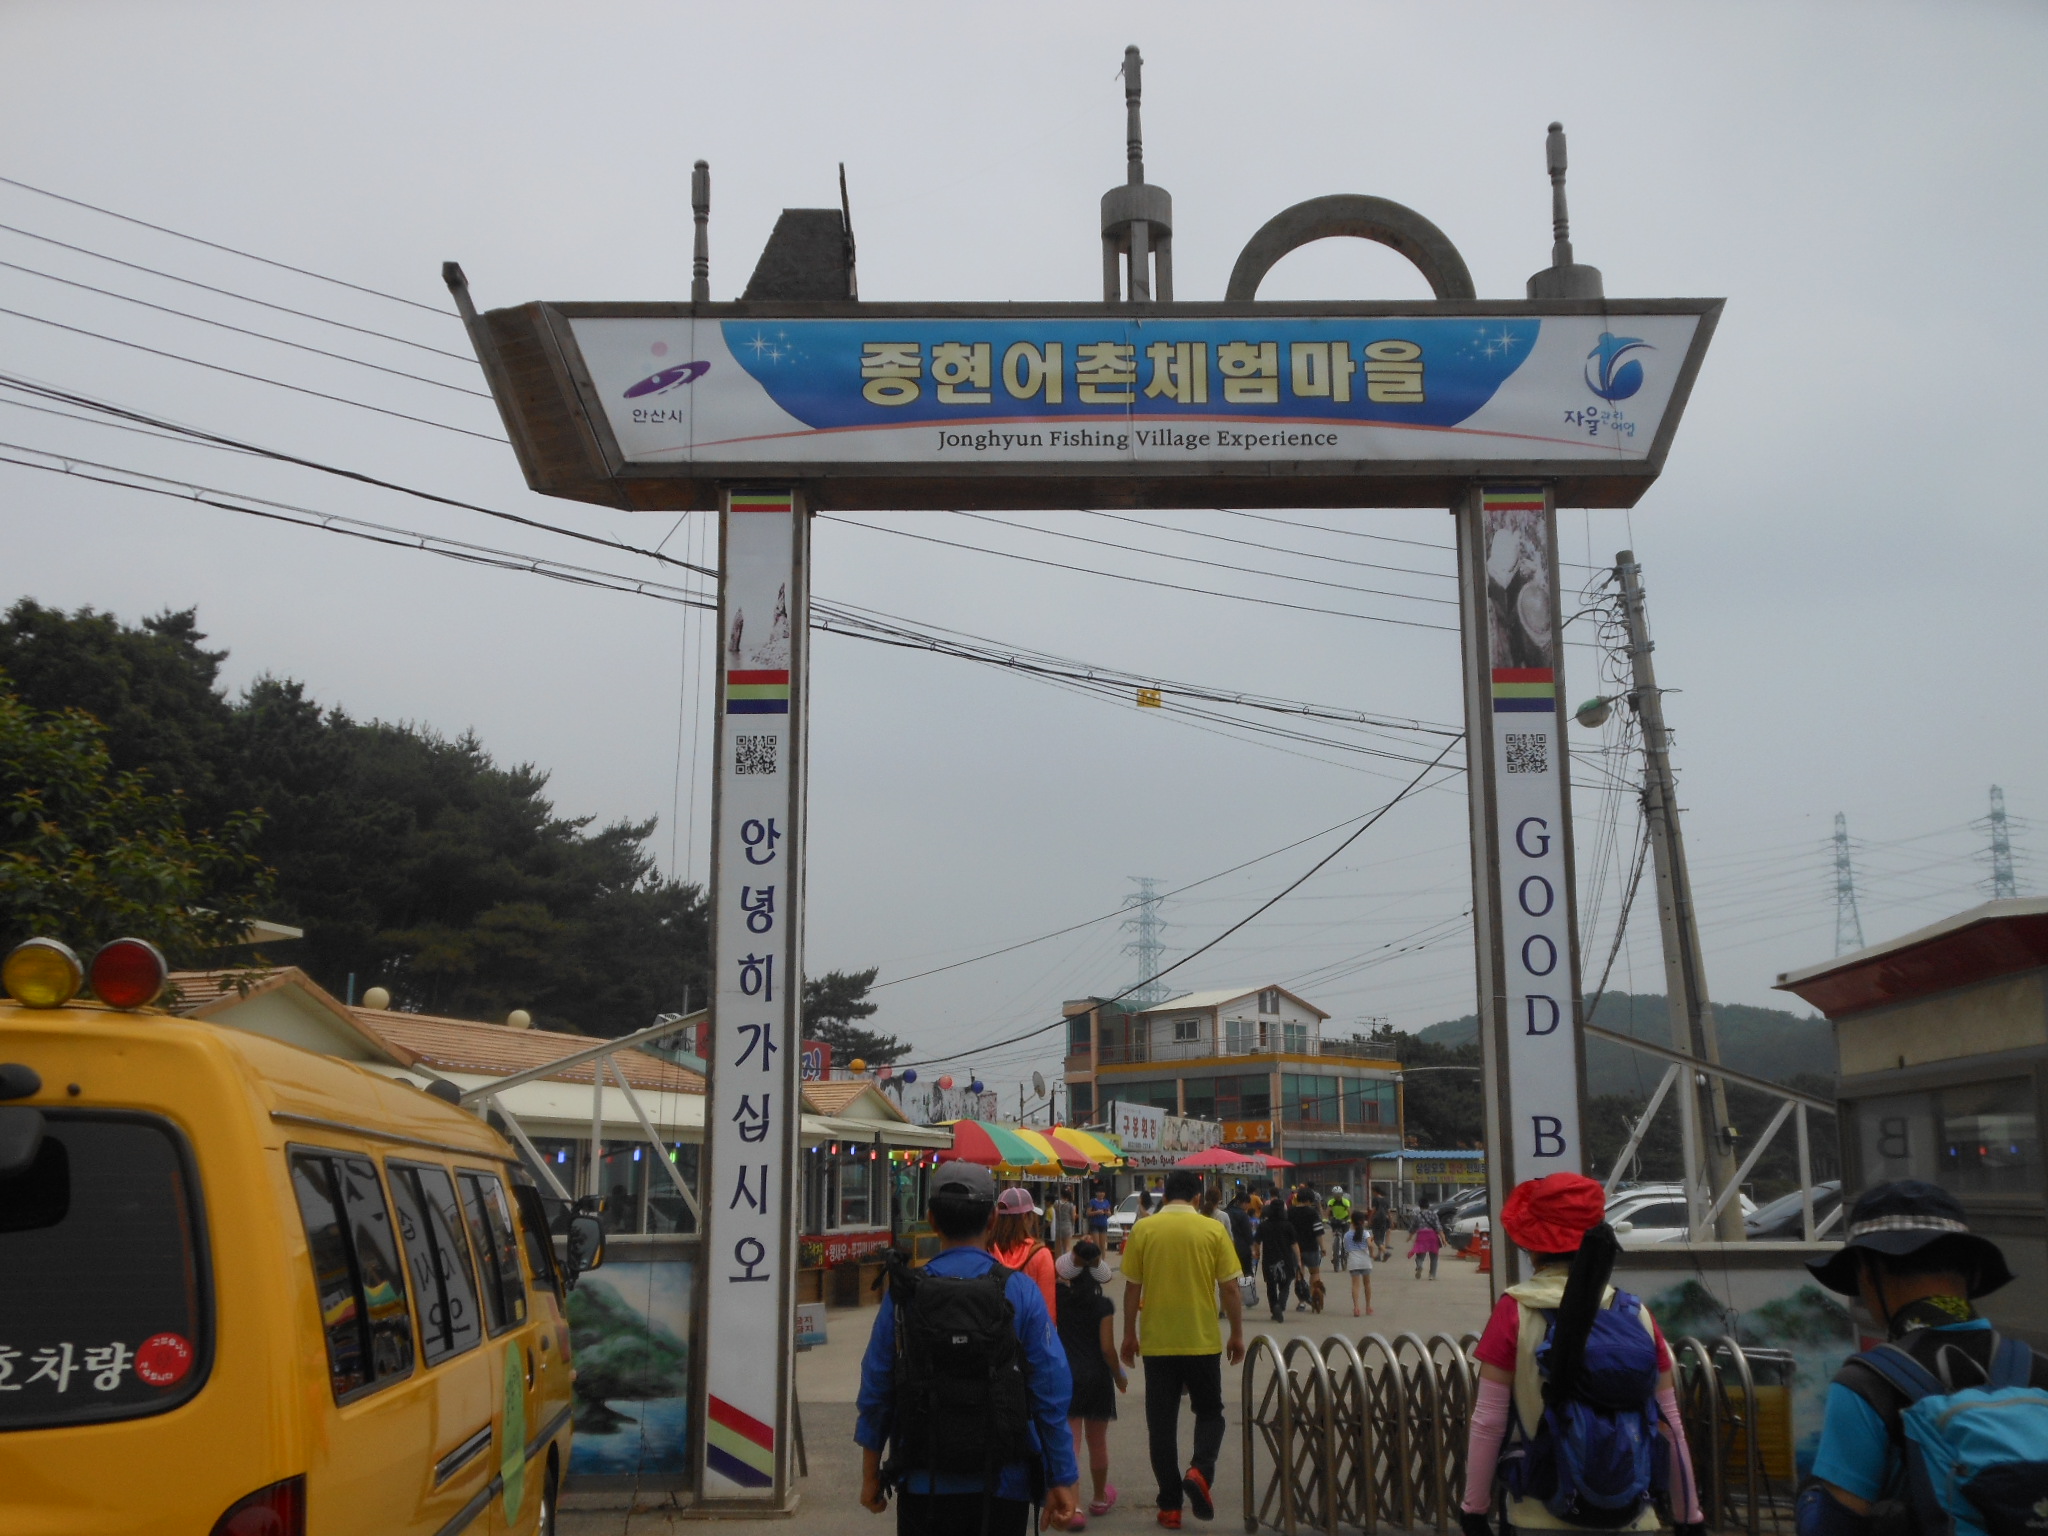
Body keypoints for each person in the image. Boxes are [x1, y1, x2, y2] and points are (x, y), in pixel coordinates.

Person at [1458, 1172, 1703, 1536]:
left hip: (1539, 1515)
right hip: (1633, 1515)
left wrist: (1474, 1510)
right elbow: (1670, 1424)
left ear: (1533, 1245)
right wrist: (1689, 1517)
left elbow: (1489, 1421)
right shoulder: (1636, 1313)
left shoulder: (1515, 1310)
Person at [1798, 1181, 2047, 1536]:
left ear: (1867, 1271)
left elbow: (1831, 1527)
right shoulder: (2038, 1369)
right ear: (1973, 1272)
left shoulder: (1868, 1384)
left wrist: (1809, 1496)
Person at [857, 1161, 1080, 1535]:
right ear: (992, 1219)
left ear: (931, 1219)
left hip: (923, 1482)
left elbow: (877, 1387)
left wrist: (870, 1476)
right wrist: (1062, 1476)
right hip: (1004, 1484)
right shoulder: (1020, 1291)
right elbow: (1050, 1391)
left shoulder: (906, 1293)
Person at [1118, 1168, 1246, 1528]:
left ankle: (1170, 1506)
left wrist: (1128, 1335)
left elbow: (1131, 1288)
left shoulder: (1144, 1229)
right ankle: (1200, 1470)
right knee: (1210, 1413)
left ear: (1165, 1195)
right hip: (1201, 1341)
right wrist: (1237, 1334)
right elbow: (1230, 1288)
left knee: (1161, 1427)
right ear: (1196, 1197)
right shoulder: (1212, 1229)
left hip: (1158, 1343)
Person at [1055, 1240, 1127, 1531]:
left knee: (1071, 1443)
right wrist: (1119, 1376)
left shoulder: (1059, 1299)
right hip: (1097, 1377)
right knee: (1098, 1442)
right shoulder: (1103, 1305)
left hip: (1066, 1377)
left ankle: (1073, 1507)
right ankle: (1099, 1498)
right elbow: (1108, 1349)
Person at [991, 1187, 1058, 1314]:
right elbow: (1047, 1306)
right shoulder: (1041, 1254)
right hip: (1026, 1324)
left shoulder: (986, 1249)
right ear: (1025, 1216)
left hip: (992, 1324)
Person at [1252, 1194, 1300, 1325]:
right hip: (1286, 1258)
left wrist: (1257, 1253)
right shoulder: (1288, 1225)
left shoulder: (1263, 1225)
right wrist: (1299, 1259)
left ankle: (1274, 1308)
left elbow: (1256, 1242)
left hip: (1269, 1259)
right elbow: (1294, 1244)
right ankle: (1281, 1305)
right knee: (1286, 1283)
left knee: (1271, 1285)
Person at [1286, 1189, 1325, 1310]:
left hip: (1295, 1248)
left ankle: (1302, 1302)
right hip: (1311, 1247)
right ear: (1309, 1200)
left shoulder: (1290, 1212)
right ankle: (1314, 1294)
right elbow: (1318, 1232)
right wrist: (1323, 1247)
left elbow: (1286, 1231)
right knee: (1315, 1272)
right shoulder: (1313, 1213)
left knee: (1299, 1274)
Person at [1342, 1210, 1374, 1317]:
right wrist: (1372, 1254)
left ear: (1351, 1221)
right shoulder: (1366, 1233)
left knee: (1355, 1285)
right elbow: (1370, 1245)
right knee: (1367, 1284)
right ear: (1363, 1222)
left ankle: (1356, 1308)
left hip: (1353, 1261)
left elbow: (1346, 1249)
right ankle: (1368, 1307)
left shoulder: (1347, 1235)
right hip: (1365, 1261)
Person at [1325, 1187, 1353, 1271]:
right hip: (1336, 1220)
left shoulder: (1345, 1202)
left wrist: (1349, 1219)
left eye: (1338, 1195)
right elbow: (1328, 1211)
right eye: (1335, 1195)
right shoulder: (1331, 1202)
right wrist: (1325, 1219)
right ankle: (1335, 1252)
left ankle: (1346, 1252)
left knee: (1345, 1236)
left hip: (1344, 1219)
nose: (1337, 1196)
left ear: (1341, 1194)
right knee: (1335, 1235)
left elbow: (1349, 1212)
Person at [1408, 1214, 1442, 1279]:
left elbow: (1413, 1228)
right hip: (1432, 1236)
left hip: (1421, 1236)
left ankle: (1419, 1266)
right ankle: (1432, 1275)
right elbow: (1438, 1227)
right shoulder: (1434, 1215)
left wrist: (1409, 1237)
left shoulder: (1418, 1215)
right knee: (1434, 1257)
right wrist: (1443, 1239)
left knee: (1419, 1256)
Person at [1051, 1190, 1077, 1258]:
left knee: (1058, 1247)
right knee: (1067, 1246)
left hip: (1058, 1225)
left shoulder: (1056, 1203)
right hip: (1067, 1226)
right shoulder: (1071, 1205)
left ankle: (1057, 1261)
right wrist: (1073, 1225)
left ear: (1061, 1195)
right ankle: (1067, 1261)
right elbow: (1073, 1217)